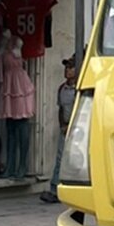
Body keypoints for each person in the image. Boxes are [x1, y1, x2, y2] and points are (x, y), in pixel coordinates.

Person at [39, 58, 77, 204]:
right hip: (65, 127)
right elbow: (61, 109)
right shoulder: (62, 88)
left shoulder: (80, 89)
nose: (67, 71)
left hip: (78, 128)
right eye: (66, 68)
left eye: (70, 68)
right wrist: (62, 125)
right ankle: (54, 189)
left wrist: (72, 125)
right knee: (60, 157)